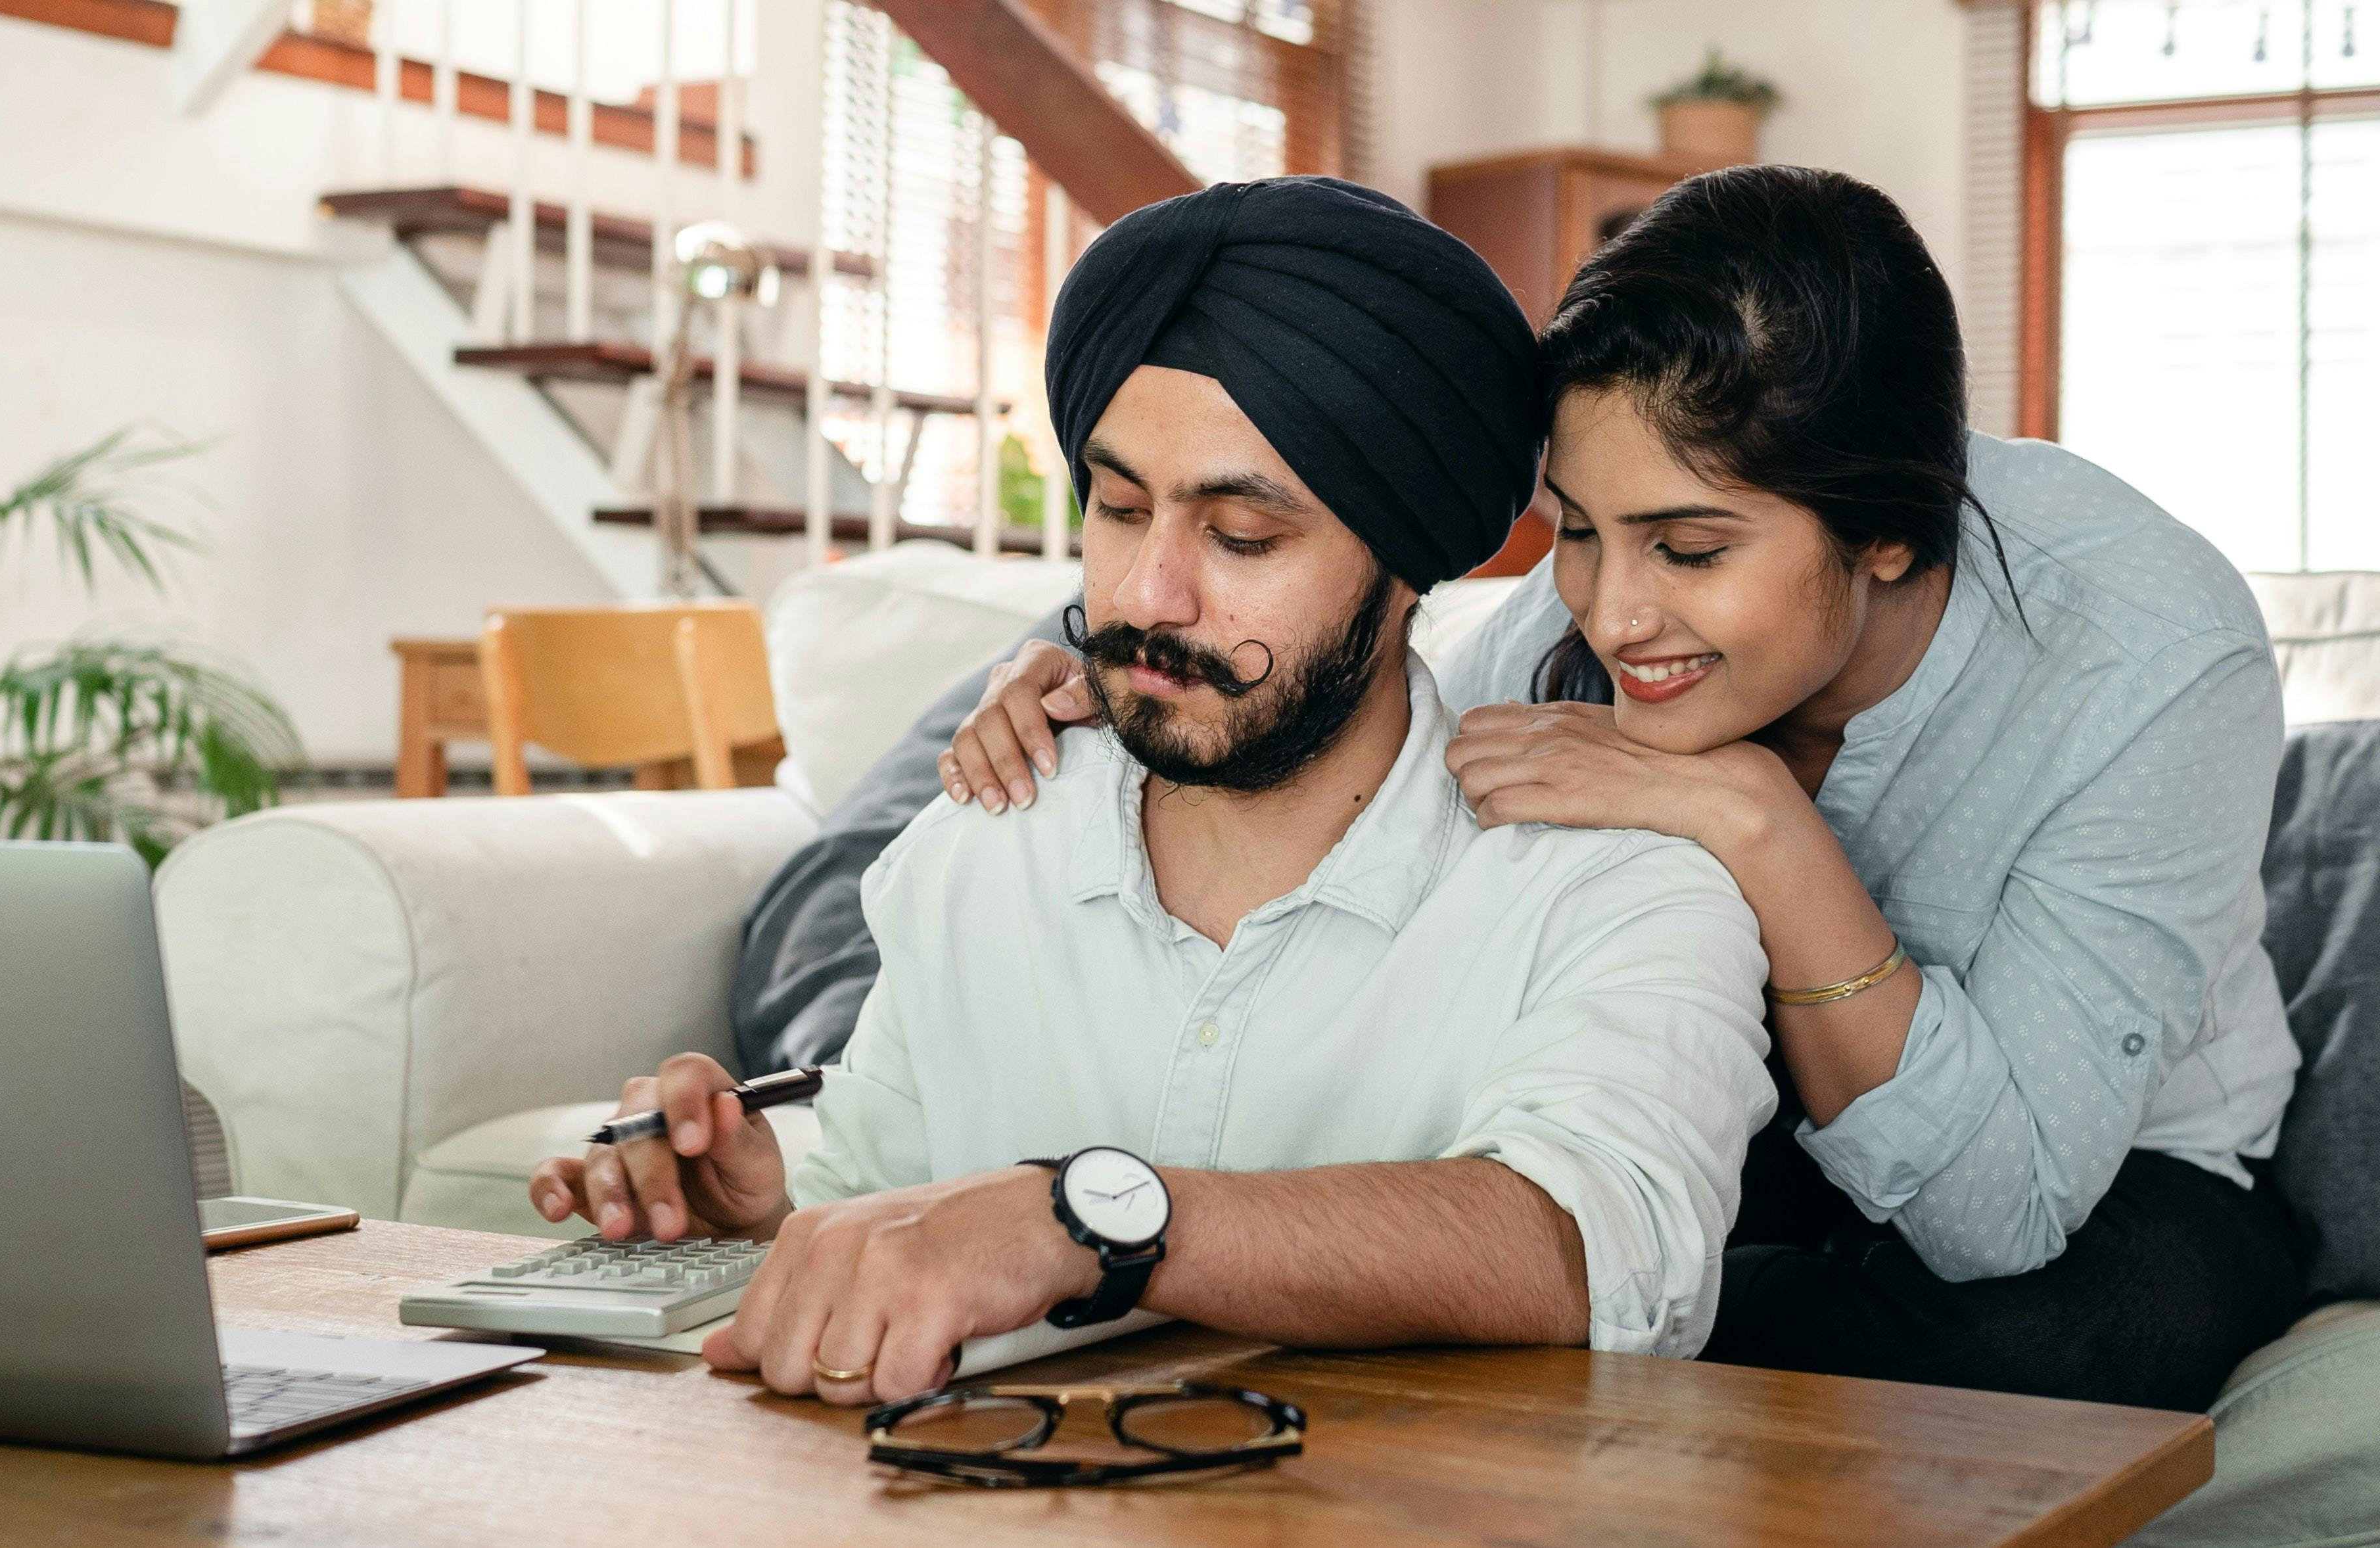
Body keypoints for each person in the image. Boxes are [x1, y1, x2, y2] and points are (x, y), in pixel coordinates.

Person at [932, 166, 2302, 1411]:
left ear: (1891, 530)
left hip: (2095, 1174)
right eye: (1579, 531)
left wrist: (1759, 821)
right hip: (1730, 1121)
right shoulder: (1555, 640)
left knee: (2088, 1340)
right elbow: (1357, 716)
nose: (1614, 613)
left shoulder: (2153, 653)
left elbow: (1998, 1209)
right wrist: (1119, 681)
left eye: (1690, 549)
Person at [533, 176, 1777, 1406]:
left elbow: (1600, 1257)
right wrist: (757, 1220)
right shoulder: (991, 831)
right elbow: (884, 1205)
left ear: (1412, 563)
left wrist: (1087, 1219)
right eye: (1118, 509)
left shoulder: (1615, 879)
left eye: (1241, 538)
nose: (1146, 596)